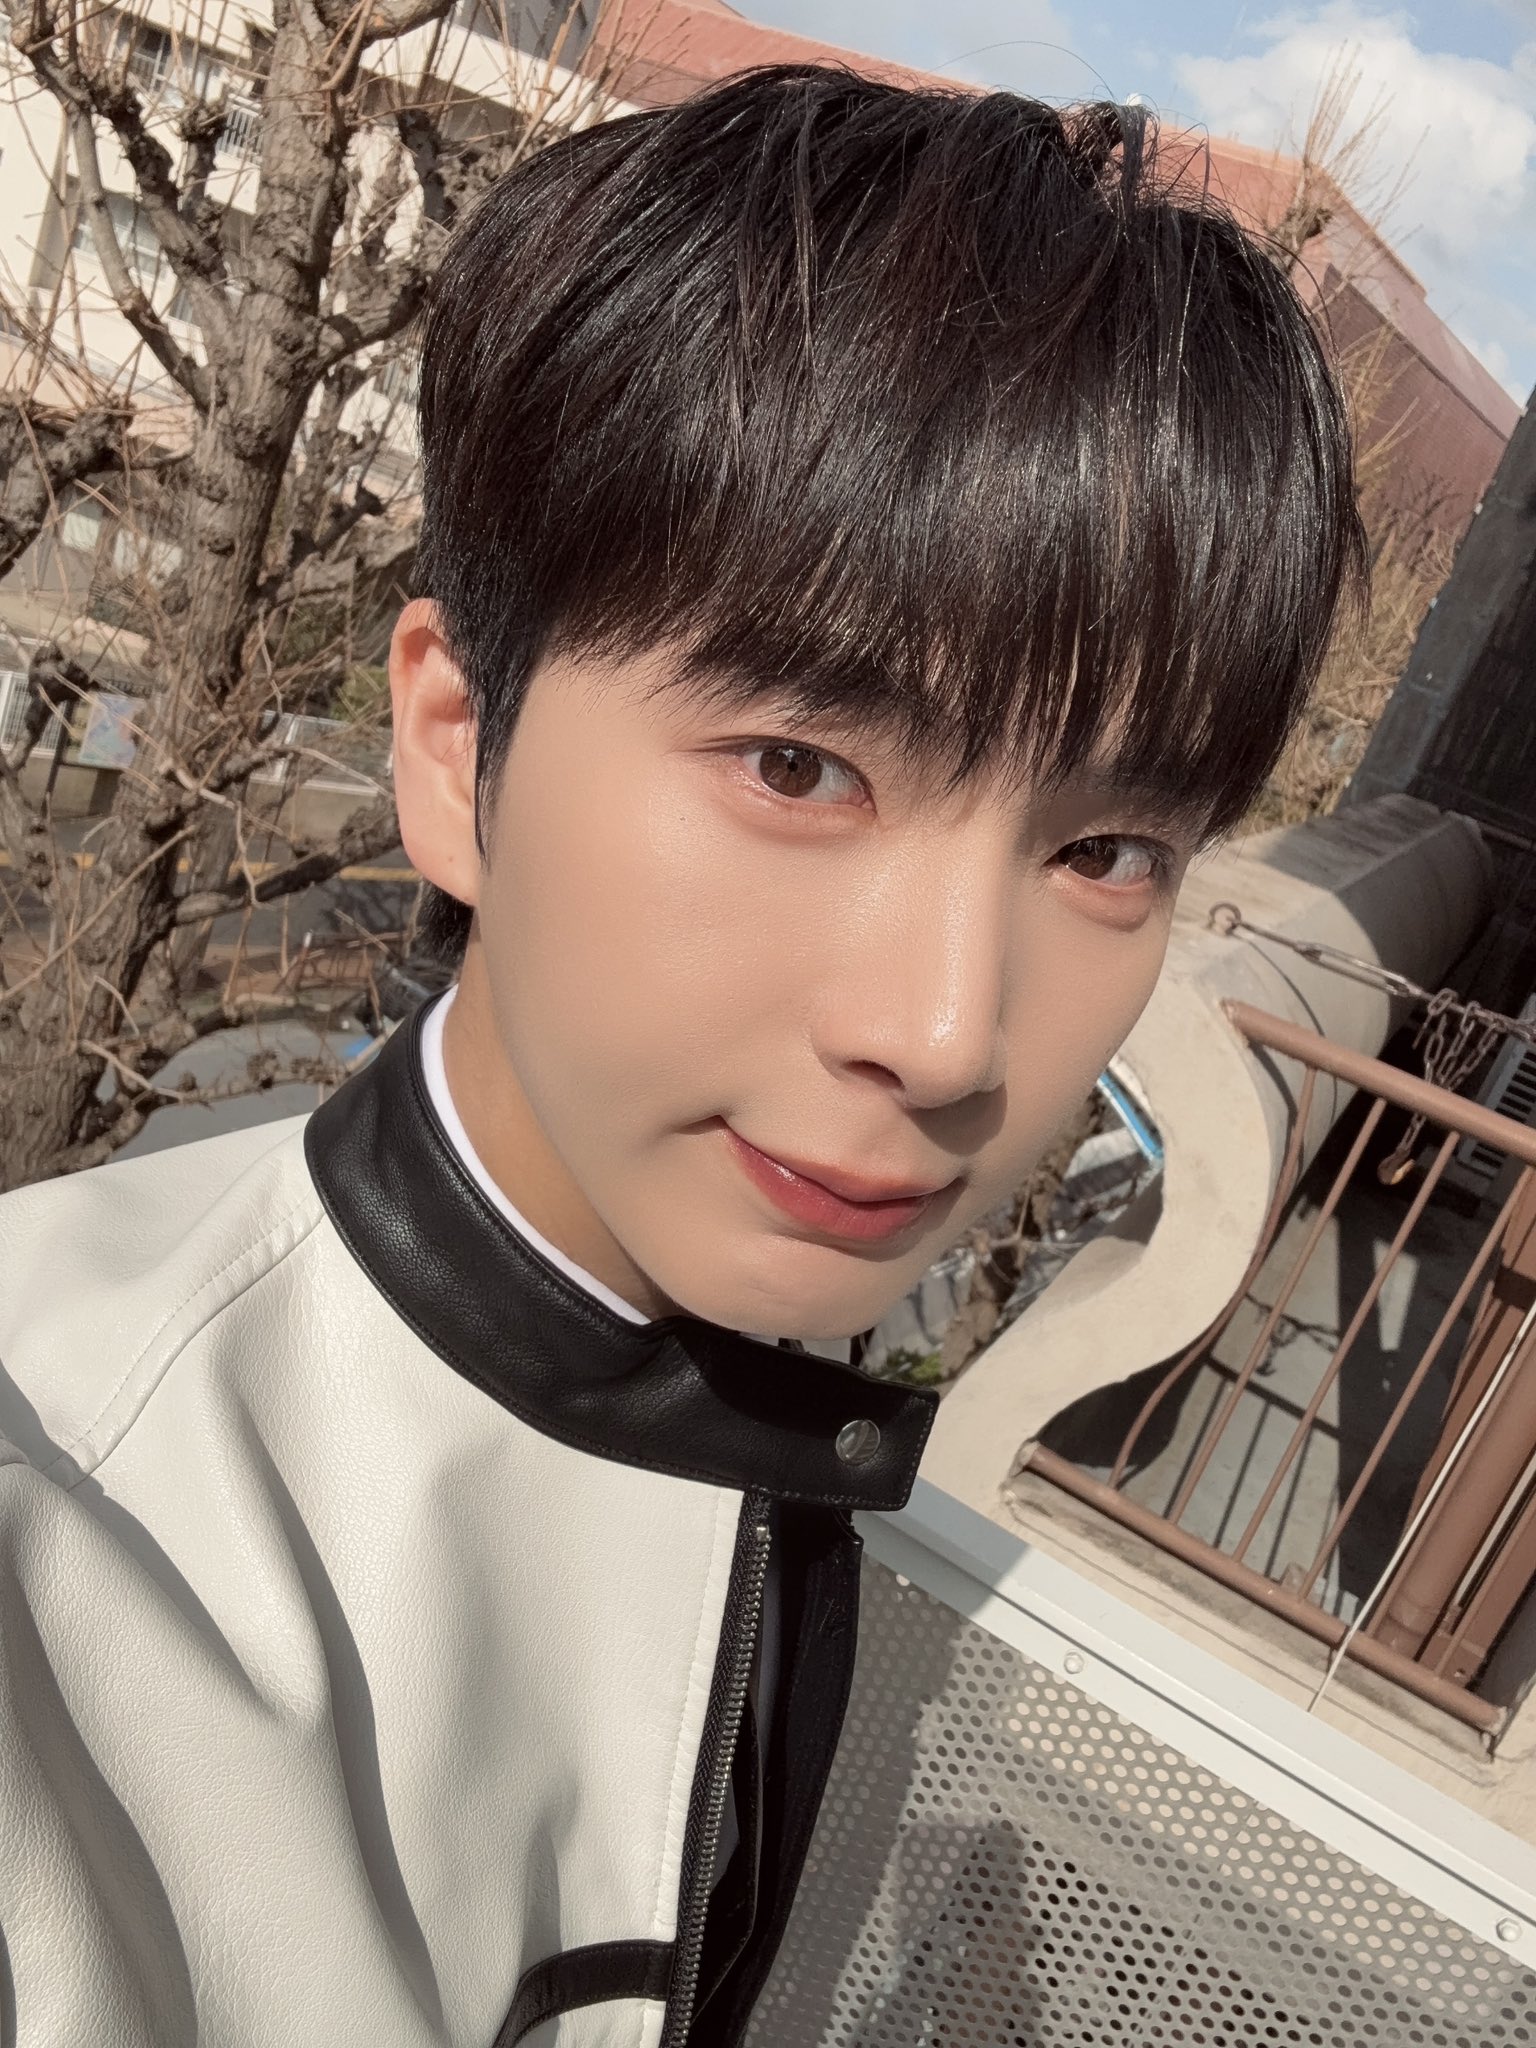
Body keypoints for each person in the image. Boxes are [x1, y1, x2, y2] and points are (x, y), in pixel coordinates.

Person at [0, 65, 1362, 2048]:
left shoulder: (803, 1466)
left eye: (1105, 853)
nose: (944, 1033)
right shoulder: (65, 1523)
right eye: (799, 767)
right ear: (459, 749)